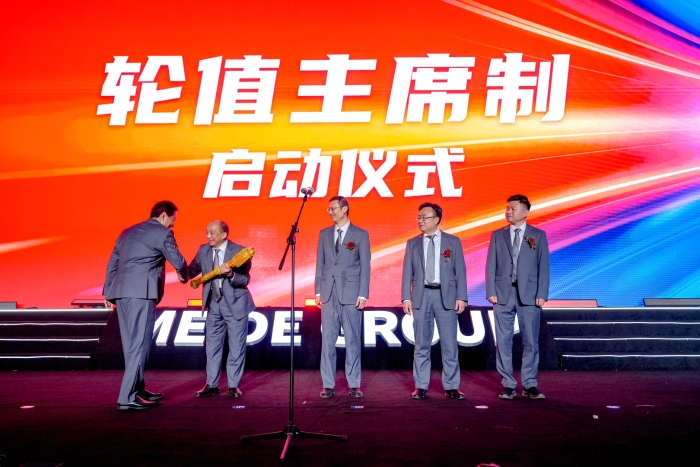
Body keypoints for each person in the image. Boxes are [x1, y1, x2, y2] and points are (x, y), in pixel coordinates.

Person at [103, 200, 189, 411]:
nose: (173, 224)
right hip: (141, 293)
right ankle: (126, 398)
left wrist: (108, 291)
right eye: (173, 220)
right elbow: (178, 261)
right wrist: (184, 273)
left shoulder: (127, 232)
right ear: (164, 216)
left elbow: (113, 262)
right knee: (139, 344)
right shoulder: (163, 233)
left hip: (121, 293)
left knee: (131, 345)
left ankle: (137, 389)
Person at [486, 194, 550, 400]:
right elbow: (491, 265)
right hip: (503, 294)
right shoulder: (498, 235)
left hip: (530, 295)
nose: (508, 211)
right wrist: (491, 291)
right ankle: (508, 384)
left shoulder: (538, 235)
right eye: (507, 208)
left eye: (513, 208)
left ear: (525, 212)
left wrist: (542, 293)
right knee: (503, 341)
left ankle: (529, 384)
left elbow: (543, 267)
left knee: (530, 341)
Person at [401, 202, 468, 400]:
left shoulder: (452, 241)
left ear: (436, 219)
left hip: (446, 296)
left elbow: (460, 271)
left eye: (425, 217)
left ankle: (452, 386)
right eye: (419, 217)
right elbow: (407, 273)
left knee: (449, 345)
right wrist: (406, 297)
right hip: (421, 297)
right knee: (421, 344)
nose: (420, 220)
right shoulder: (412, 243)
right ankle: (421, 385)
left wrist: (461, 297)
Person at [188, 220, 255, 399]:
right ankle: (212, 385)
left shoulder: (239, 252)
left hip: (235, 304)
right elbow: (191, 270)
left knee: (236, 346)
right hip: (213, 304)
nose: (208, 236)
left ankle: (233, 386)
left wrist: (231, 274)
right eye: (206, 232)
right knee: (212, 346)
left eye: (212, 232)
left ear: (224, 235)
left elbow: (245, 279)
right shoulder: (203, 250)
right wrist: (178, 269)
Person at [314, 196, 371, 398]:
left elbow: (365, 266)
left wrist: (363, 293)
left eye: (333, 208)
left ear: (345, 209)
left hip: (351, 294)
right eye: (328, 209)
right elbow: (320, 264)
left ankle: (354, 383)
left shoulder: (360, 234)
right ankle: (328, 384)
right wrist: (318, 291)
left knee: (352, 340)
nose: (330, 212)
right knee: (327, 342)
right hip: (329, 294)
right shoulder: (324, 234)